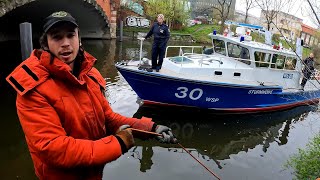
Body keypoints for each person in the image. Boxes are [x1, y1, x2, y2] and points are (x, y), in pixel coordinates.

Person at [6, 11, 176, 180]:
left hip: (92, 173)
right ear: (45, 44)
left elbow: (108, 118)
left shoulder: (90, 75)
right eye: (57, 37)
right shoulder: (33, 88)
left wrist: (151, 128)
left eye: (70, 35)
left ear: (79, 39)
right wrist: (118, 144)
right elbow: (53, 149)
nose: (65, 43)